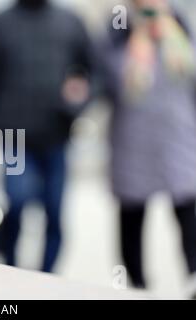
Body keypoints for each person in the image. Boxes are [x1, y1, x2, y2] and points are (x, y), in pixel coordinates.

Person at [0, 0, 93, 272]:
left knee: (54, 212)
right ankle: (11, 270)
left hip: (57, 137)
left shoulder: (71, 22)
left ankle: (46, 277)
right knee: (16, 203)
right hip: (14, 139)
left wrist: (80, 97)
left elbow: (96, 73)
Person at [98, 0, 196, 295]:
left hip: (177, 135)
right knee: (132, 213)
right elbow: (110, 81)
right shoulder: (119, 28)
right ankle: (137, 284)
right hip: (133, 139)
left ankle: (193, 276)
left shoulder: (180, 24)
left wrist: (168, 33)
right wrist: (136, 46)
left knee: (188, 207)